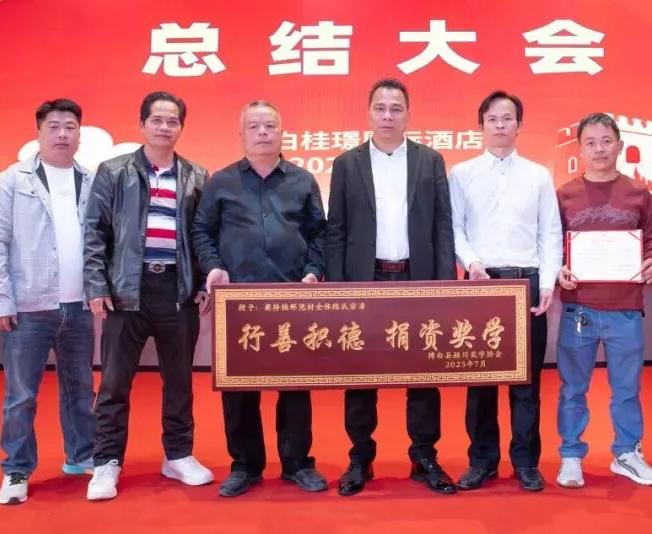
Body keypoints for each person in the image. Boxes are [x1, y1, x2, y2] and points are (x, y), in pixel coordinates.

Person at [326, 78, 458, 496]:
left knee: (423, 372)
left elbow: (442, 227)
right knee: (360, 373)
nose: (388, 116)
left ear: (408, 114)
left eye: (396, 108)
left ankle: (424, 456)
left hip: (417, 279)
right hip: (365, 280)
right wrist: (337, 288)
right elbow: (336, 231)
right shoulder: (346, 164)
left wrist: (444, 286)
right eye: (380, 108)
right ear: (368, 113)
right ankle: (360, 458)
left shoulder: (429, 161)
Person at [192, 101, 329, 497]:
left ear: (282, 132)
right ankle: (245, 465)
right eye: (254, 126)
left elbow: (319, 233)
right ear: (241, 134)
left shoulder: (303, 181)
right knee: (239, 390)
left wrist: (314, 271)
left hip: (292, 297)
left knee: (295, 387)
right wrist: (214, 267)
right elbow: (202, 231)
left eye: (269, 125)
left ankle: (297, 463)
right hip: (238, 301)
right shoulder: (221, 181)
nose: (263, 132)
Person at [84, 91, 213, 501]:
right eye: (156, 120)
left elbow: (203, 237)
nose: (164, 127)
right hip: (126, 292)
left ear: (181, 128)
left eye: (172, 121)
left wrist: (203, 283)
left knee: (179, 382)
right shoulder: (113, 171)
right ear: (142, 125)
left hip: (177, 292)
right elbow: (95, 232)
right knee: (114, 383)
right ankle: (106, 462)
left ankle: (178, 455)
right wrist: (96, 285)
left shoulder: (196, 176)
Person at [0, 99, 97, 505]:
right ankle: (16, 469)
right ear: (39, 132)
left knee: (81, 389)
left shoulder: (91, 180)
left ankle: (81, 456)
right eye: (54, 126)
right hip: (28, 306)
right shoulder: (12, 180)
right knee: (21, 395)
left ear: (80, 134)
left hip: (80, 306)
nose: (62, 133)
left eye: (70, 126)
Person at [448, 90, 561, 492]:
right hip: (481, 284)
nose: (500, 125)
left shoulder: (538, 175)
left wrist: (546, 283)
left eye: (507, 118)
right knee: (480, 380)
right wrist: (472, 263)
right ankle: (482, 461)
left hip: (526, 283)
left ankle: (526, 462)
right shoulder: (461, 173)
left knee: (526, 381)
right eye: (492, 119)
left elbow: (550, 233)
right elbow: (454, 228)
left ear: (519, 125)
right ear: (481, 126)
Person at [553, 112, 652, 488]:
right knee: (573, 387)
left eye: (606, 141)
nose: (599, 149)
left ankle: (627, 453)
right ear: (579, 149)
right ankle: (571, 455)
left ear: (619, 145)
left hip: (625, 310)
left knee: (627, 388)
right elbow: (552, 243)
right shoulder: (564, 195)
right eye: (591, 142)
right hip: (579, 308)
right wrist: (557, 269)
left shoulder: (638, 193)